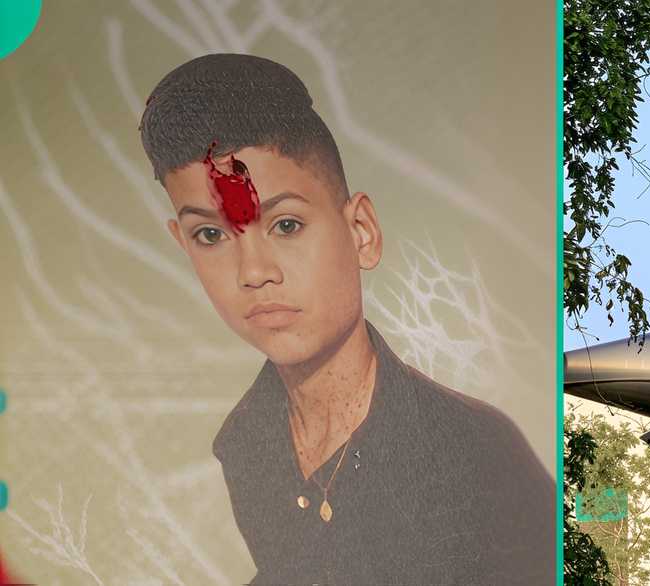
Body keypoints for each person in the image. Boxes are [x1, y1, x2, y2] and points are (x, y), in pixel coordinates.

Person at [138, 53, 554, 584]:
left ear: (361, 230)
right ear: (183, 244)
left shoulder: (475, 456)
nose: (255, 271)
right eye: (211, 235)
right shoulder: (247, 443)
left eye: (286, 225)